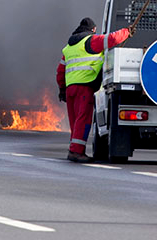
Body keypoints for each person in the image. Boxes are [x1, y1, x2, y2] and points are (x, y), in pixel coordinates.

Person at [56, 17, 131, 163]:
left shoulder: (69, 47)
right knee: (83, 119)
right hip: (84, 87)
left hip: (70, 88)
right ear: (93, 29)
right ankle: (77, 152)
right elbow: (112, 39)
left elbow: (60, 71)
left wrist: (62, 89)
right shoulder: (91, 41)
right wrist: (127, 32)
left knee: (75, 120)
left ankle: (74, 149)